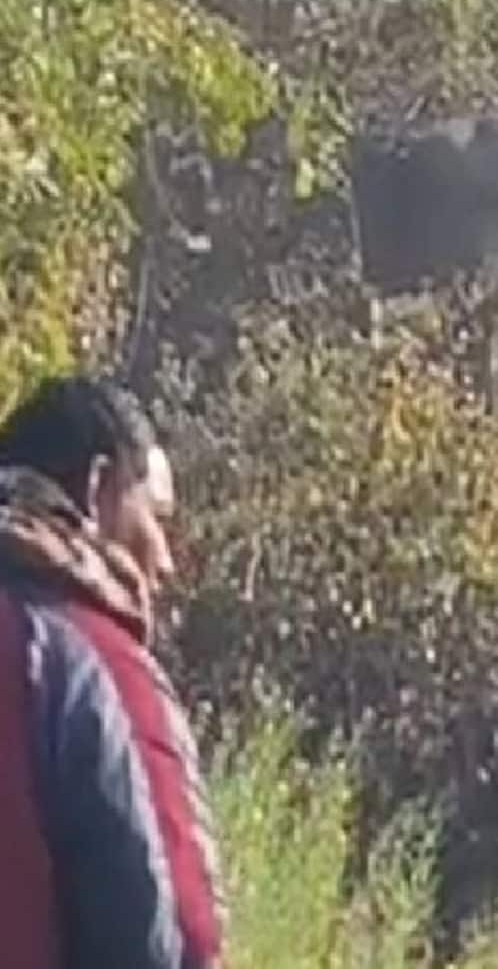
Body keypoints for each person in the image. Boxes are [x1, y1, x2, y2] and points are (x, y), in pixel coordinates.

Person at [0, 373, 226, 969]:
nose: (169, 560)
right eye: (156, 515)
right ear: (97, 491)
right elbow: (174, 940)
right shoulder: (88, 666)